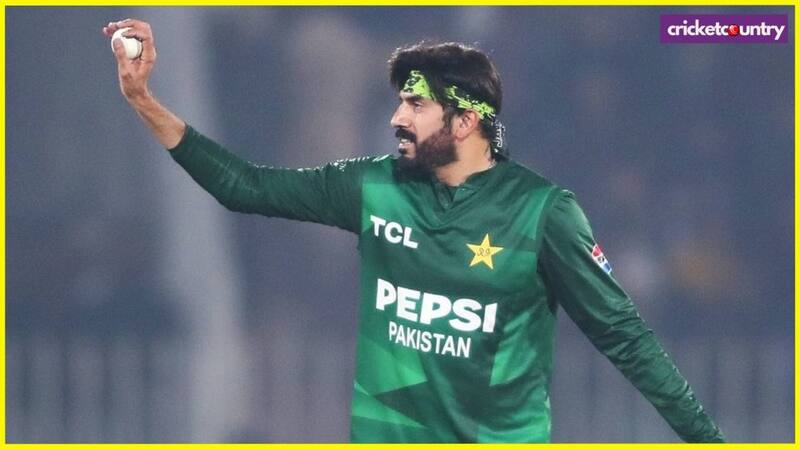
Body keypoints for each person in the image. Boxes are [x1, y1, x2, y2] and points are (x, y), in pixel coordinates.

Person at [103, 18, 725, 443]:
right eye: (400, 102)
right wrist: (143, 100)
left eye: (416, 105)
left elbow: (626, 338)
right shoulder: (373, 187)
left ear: (466, 121)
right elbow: (244, 187)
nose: (397, 117)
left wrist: (707, 441)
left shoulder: (544, 213)